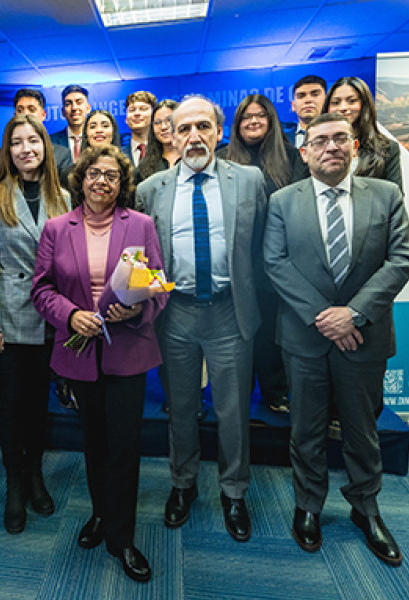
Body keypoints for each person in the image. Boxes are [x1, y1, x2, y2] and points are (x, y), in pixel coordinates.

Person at [264, 112, 409, 567]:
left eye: (339, 139)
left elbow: (403, 258)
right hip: (304, 339)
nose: (329, 147)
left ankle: (366, 509)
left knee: (362, 432)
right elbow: (275, 263)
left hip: (363, 338)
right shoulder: (282, 201)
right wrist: (323, 317)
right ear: (304, 150)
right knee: (305, 430)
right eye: (319, 141)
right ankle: (308, 506)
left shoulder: (386, 195)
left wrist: (352, 314)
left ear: (354, 145)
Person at [32, 144, 167, 583]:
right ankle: (99, 514)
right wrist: (69, 315)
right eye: (94, 173)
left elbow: (159, 285)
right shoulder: (56, 227)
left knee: (124, 448)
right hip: (78, 353)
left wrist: (137, 309)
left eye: (111, 174)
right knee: (93, 444)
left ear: (121, 184)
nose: (101, 181)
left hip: (128, 351)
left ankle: (122, 536)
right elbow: (41, 289)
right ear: (81, 178)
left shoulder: (141, 225)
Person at [136, 96, 265, 542]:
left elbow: (264, 246)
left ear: (218, 130)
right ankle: (183, 485)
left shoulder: (249, 181)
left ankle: (234, 492)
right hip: (176, 313)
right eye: (184, 128)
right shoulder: (150, 189)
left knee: (233, 411)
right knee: (182, 409)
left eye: (203, 127)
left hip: (230, 311)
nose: (194, 137)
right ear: (170, 134)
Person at [0, 115, 71, 534]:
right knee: (14, 408)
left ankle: (35, 475)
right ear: (7, 151)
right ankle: (15, 485)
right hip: (9, 321)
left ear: (46, 148)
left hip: (52, 319)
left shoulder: (64, 197)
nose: (26, 148)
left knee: (39, 407)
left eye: (34, 140)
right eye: (17, 142)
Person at [219, 93, 304, 414]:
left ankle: (275, 392)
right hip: (233, 261)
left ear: (271, 120)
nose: (253, 122)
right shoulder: (223, 158)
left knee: (270, 333)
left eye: (260, 116)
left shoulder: (293, 157)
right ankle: (236, 395)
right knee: (236, 336)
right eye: (245, 117)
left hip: (278, 262)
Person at [324, 76, 402, 190]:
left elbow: (395, 197)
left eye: (351, 101)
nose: (343, 107)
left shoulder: (388, 148)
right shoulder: (317, 147)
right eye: (336, 102)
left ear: (364, 104)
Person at [0, 88, 73, 184]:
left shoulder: (62, 154)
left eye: (31, 109)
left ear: (43, 115)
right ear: (14, 115)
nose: (25, 114)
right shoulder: (1, 155)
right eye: (20, 110)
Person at [137, 99, 180, 182]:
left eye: (169, 120)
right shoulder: (145, 165)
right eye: (157, 122)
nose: (163, 127)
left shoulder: (191, 158)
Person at [50, 84, 91, 163]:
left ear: (88, 108)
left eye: (79, 102)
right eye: (68, 104)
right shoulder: (50, 142)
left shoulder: (96, 140)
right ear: (63, 112)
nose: (74, 108)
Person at [288, 75, 327, 148]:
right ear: (293, 105)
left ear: (326, 100)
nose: (308, 100)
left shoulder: (338, 135)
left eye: (315, 95)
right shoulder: (280, 138)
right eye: (301, 96)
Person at [121, 91, 157, 167]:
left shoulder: (165, 152)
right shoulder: (119, 156)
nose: (137, 113)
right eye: (132, 110)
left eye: (143, 109)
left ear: (154, 116)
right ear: (126, 119)